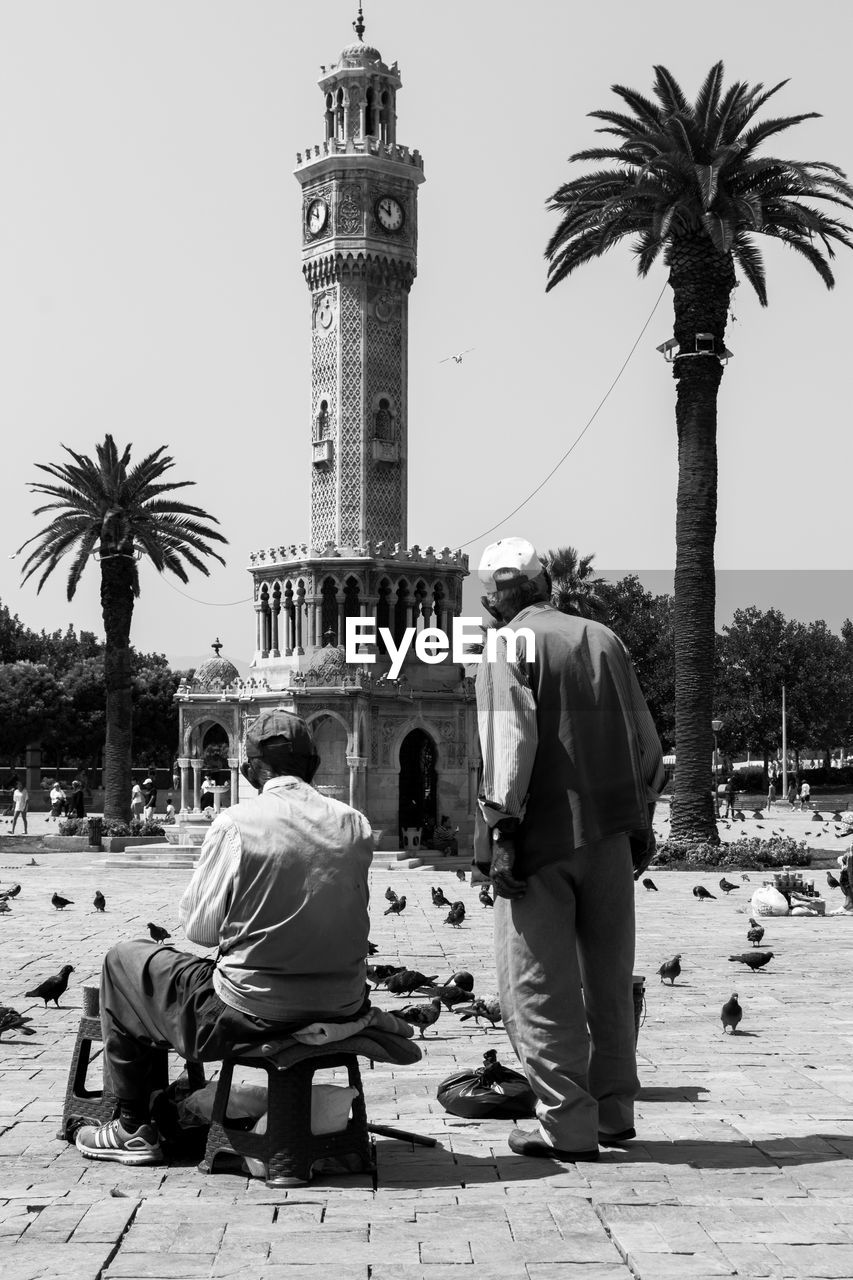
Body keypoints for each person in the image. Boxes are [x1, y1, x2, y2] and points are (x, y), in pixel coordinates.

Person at [75, 709, 373, 1166]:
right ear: (313, 767)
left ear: (252, 768)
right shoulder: (355, 823)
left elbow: (200, 930)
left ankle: (133, 1125)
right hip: (345, 1004)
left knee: (124, 960)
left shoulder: (237, 822)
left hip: (253, 1011)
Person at [473, 537, 664, 1162]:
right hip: (610, 838)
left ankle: (566, 1125)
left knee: (538, 985)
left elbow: (510, 740)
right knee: (608, 981)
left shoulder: (508, 647)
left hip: (542, 842)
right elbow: (646, 745)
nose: (485, 602)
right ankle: (615, 1112)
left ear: (509, 594)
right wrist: (641, 825)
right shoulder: (604, 638)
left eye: (491, 591)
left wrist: (503, 832)